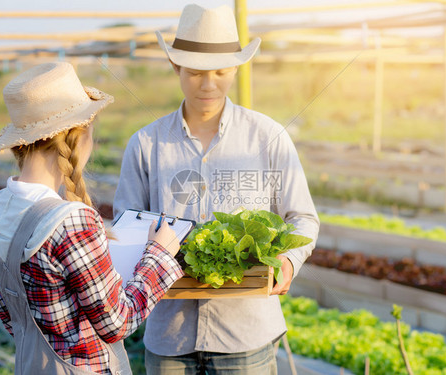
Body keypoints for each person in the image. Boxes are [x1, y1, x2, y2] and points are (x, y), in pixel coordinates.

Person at [113, 4, 320, 375]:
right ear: (176, 67)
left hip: (246, 336)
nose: (208, 85)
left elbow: (301, 218)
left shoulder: (267, 136)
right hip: (169, 338)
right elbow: (125, 226)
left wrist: (288, 261)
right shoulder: (146, 144)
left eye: (221, 72)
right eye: (194, 73)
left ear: (237, 69)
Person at [0, 62, 184, 375]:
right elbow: (118, 322)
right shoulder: (71, 221)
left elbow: (9, 316)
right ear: (79, 137)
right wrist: (159, 254)